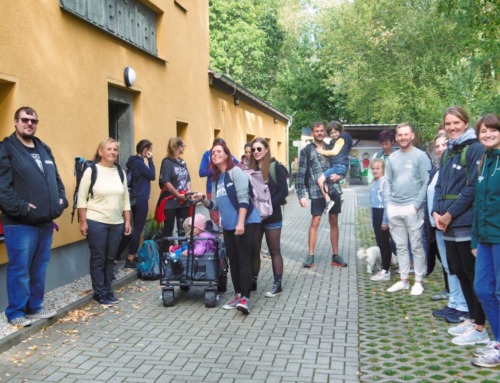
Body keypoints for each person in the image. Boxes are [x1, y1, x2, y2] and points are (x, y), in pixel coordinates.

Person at [0, 107, 68, 327]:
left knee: (38, 268)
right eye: (25, 120)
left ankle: (34, 307)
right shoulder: (7, 149)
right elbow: (3, 189)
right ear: (15, 122)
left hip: (45, 222)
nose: (29, 124)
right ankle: (16, 313)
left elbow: (56, 178)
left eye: (33, 120)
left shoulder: (43, 148)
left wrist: (61, 200)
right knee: (20, 269)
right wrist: (22, 208)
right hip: (20, 223)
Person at [433, 106, 488, 346]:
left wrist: (449, 214)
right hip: (447, 224)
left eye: (456, 123)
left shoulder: (476, 148)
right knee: (457, 270)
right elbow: (439, 186)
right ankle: (471, 317)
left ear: (466, 123)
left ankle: (480, 327)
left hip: (464, 222)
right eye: (448, 124)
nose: (452, 127)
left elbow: (473, 187)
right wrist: (436, 211)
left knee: (472, 273)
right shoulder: (448, 151)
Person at [194, 142, 260, 314]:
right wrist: (203, 200)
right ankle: (238, 295)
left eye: (218, 151)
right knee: (233, 260)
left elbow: (244, 198)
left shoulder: (235, 172)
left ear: (226, 154)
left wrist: (241, 222)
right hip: (229, 225)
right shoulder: (217, 178)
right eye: (212, 152)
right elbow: (216, 205)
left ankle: (245, 298)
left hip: (246, 221)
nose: (215, 154)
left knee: (244, 258)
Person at [78, 138, 132, 307]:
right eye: (108, 149)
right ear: (100, 151)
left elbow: (125, 198)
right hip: (96, 221)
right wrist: (83, 221)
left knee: (111, 258)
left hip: (116, 222)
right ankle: (99, 292)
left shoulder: (120, 172)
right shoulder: (91, 170)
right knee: (99, 258)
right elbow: (81, 196)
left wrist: (127, 220)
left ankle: (107, 289)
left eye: (115, 149)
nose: (112, 152)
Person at [384, 123, 431, 296]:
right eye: (400, 135)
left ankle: (418, 282)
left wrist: (416, 205)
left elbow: (427, 181)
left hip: (413, 208)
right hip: (394, 208)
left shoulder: (421, 156)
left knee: (417, 246)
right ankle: (403, 280)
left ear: (412, 136)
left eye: (406, 134)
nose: (403, 137)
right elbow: (387, 182)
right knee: (401, 246)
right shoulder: (393, 158)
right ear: (396, 137)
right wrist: (389, 204)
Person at [428, 133, 469, 323]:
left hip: (453, 223)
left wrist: (446, 215)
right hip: (437, 224)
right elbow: (436, 192)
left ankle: (463, 306)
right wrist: (435, 214)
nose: (440, 149)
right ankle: (454, 302)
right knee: (448, 267)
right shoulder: (438, 168)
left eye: (444, 144)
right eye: (437, 146)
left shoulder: (456, 163)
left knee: (458, 268)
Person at [470, 114, 500, 367]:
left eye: (492, 130)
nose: (488, 134)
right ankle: (498, 341)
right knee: (482, 289)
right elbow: (479, 204)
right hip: (485, 239)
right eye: (483, 131)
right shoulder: (485, 161)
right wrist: (474, 239)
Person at [296, 121, 348, 268]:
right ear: (312, 133)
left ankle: (336, 256)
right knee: (316, 221)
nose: (319, 133)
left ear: (324, 132)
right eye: (316, 131)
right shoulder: (306, 150)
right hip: (316, 191)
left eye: (321, 130)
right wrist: (301, 195)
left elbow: (344, 164)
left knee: (333, 221)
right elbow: (300, 174)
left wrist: (340, 176)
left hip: (334, 189)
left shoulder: (333, 147)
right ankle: (310, 256)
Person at [248, 138, 288, 297]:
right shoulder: (250, 169)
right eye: (253, 150)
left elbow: (283, 191)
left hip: (272, 216)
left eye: (259, 149)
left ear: (266, 150)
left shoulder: (275, 167)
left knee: (274, 250)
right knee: (254, 250)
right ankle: (252, 282)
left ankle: (277, 284)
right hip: (256, 217)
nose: (256, 152)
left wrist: (270, 206)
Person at [115, 140, 155, 269]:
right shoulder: (139, 162)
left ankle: (134, 255)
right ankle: (130, 257)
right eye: (149, 150)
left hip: (134, 198)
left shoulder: (133, 162)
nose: (150, 153)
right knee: (138, 228)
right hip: (141, 199)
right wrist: (151, 161)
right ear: (145, 150)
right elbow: (152, 175)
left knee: (134, 227)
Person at [158, 138, 191, 252]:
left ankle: (183, 253)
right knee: (169, 228)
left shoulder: (182, 162)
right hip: (171, 201)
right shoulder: (167, 162)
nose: (184, 148)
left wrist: (188, 192)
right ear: (178, 147)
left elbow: (188, 178)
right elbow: (166, 182)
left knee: (183, 228)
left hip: (184, 200)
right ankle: (165, 255)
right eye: (183, 146)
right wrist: (178, 195)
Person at [199, 138, 239, 225]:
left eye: (220, 150)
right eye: (214, 151)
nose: (217, 154)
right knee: (215, 218)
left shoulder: (227, 155)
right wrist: (215, 168)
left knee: (229, 213)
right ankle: (217, 238)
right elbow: (201, 172)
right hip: (212, 188)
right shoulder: (207, 154)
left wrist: (228, 164)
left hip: (228, 187)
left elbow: (239, 165)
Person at [315, 121, 353, 214]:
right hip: (339, 166)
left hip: (338, 166)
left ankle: (328, 201)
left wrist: (321, 151)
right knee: (329, 180)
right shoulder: (335, 141)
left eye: (336, 132)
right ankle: (339, 200)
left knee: (320, 180)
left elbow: (334, 152)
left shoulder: (341, 140)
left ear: (340, 131)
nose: (334, 134)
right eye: (331, 133)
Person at [369, 158, 393, 281]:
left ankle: (386, 270)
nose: (375, 171)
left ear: (383, 168)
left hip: (382, 213)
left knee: (385, 244)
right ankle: (383, 267)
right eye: (373, 168)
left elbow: (386, 203)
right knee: (380, 243)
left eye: (377, 168)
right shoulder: (373, 182)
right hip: (376, 214)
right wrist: (373, 219)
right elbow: (372, 202)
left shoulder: (384, 182)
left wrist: (385, 221)